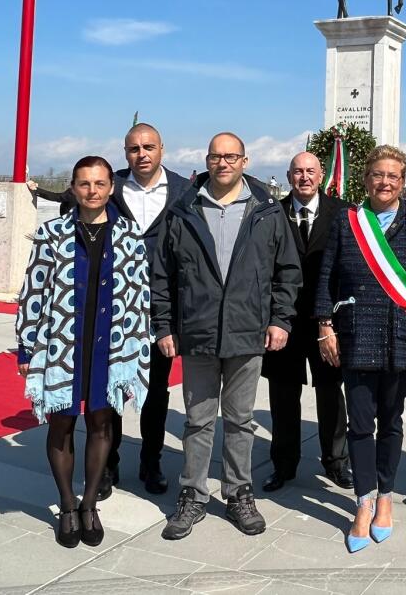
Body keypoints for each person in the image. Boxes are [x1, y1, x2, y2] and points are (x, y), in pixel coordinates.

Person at [153, 132, 301, 540]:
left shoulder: (267, 211)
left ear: (244, 160)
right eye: (216, 157)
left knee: (240, 420)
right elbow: (162, 274)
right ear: (206, 160)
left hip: (247, 332)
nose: (223, 163)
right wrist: (164, 325)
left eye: (231, 156)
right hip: (197, 334)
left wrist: (280, 320)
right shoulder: (183, 210)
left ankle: (238, 493)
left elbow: (287, 271)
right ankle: (193, 495)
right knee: (198, 421)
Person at [15, 156, 152, 549]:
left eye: (99, 183)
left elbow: (140, 296)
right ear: (73, 187)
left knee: (101, 424)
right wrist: (26, 344)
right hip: (62, 343)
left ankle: (90, 503)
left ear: (112, 187)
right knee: (60, 425)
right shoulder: (52, 233)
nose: (92, 191)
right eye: (84, 183)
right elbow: (33, 291)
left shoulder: (129, 234)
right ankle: (66, 504)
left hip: (109, 346)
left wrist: (138, 346)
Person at [315, 145, 406, 553]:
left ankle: (385, 498)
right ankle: (363, 502)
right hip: (355, 334)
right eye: (377, 174)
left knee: (391, 421)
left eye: (393, 175)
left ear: (403, 180)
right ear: (366, 179)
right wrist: (324, 326)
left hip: (400, 336)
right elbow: (327, 276)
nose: (384, 182)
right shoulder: (348, 221)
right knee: (359, 424)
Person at [104, 123, 191, 499]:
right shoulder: (109, 188)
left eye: (149, 147)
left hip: (161, 311)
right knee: (112, 388)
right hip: (115, 308)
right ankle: (107, 464)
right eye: (134, 148)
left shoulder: (185, 192)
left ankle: (151, 462)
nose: (142, 154)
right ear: (125, 153)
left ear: (162, 149)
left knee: (156, 392)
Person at [261, 151, 352, 492]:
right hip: (283, 321)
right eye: (297, 171)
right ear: (288, 176)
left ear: (321, 174)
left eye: (310, 171)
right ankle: (283, 465)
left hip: (327, 322)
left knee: (331, 394)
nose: (304, 177)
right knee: (283, 397)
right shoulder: (271, 214)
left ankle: (336, 462)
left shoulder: (342, 214)